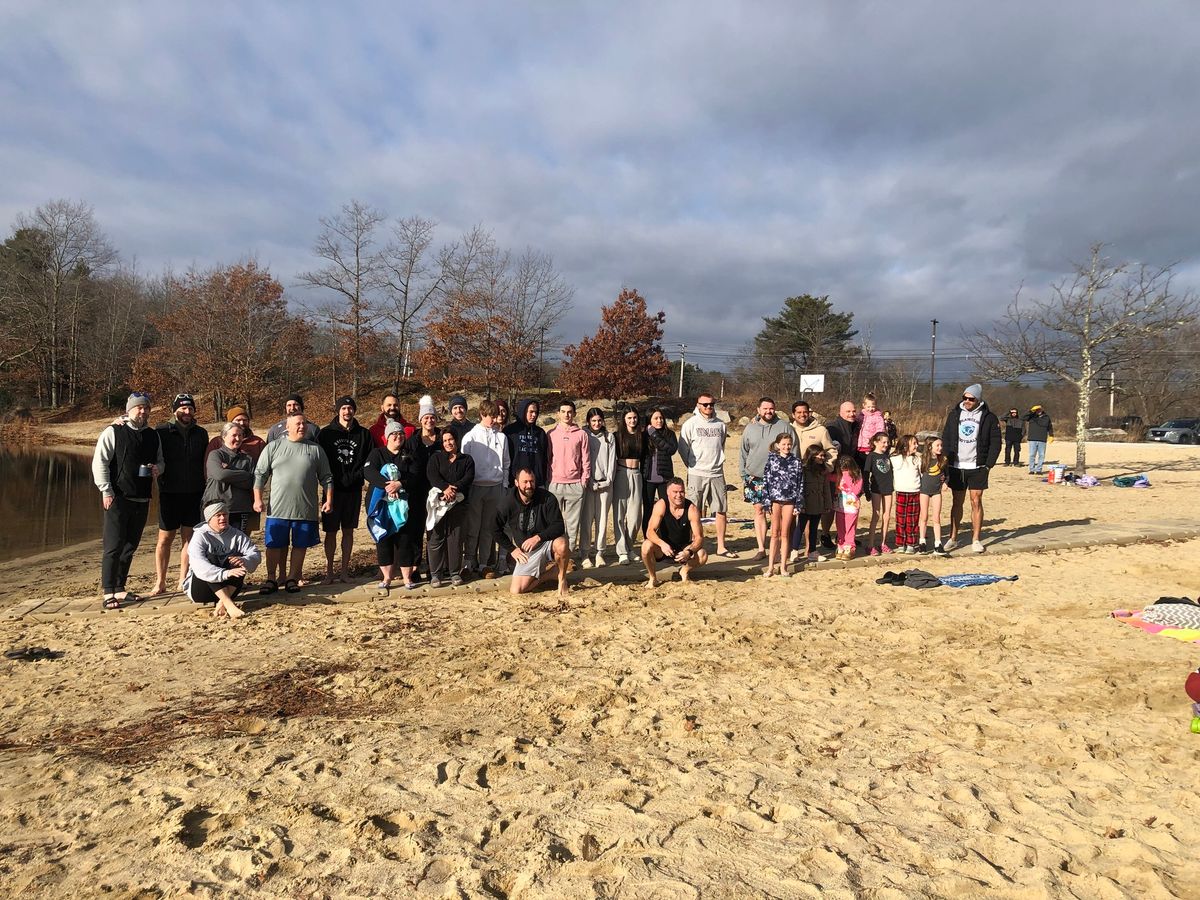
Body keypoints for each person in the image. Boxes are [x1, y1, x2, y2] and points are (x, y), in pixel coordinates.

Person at [92, 392, 164, 609]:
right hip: (118, 497)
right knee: (113, 546)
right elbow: (100, 463)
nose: (142, 411)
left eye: (146, 408)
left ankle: (120, 589)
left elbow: (161, 462)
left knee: (130, 546)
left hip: (142, 497)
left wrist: (157, 469)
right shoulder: (114, 431)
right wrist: (106, 491)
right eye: (138, 408)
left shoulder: (153, 435)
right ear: (129, 409)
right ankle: (108, 592)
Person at [253, 413, 334, 594]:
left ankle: (292, 578)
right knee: (274, 544)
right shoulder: (273, 447)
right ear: (287, 427)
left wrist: (329, 500)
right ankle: (271, 578)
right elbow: (260, 474)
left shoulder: (315, 449)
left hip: (305, 509)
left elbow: (327, 477)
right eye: (298, 424)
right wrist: (257, 499)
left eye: (304, 423)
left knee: (300, 545)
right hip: (278, 508)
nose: (302, 426)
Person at [153, 392, 209, 595]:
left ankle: (182, 580)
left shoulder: (201, 433)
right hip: (169, 492)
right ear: (175, 410)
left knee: (189, 539)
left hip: (194, 493)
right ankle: (160, 582)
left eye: (190, 408)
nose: (187, 412)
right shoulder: (161, 431)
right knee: (165, 539)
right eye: (183, 408)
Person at [317, 396, 372, 584]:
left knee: (348, 531)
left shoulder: (364, 434)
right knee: (330, 531)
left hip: (354, 490)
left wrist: (357, 476)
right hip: (332, 491)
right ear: (338, 411)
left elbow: (369, 461)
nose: (347, 412)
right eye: (343, 408)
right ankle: (329, 571)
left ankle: (344, 572)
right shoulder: (326, 434)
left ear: (354, 410)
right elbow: (320, 462)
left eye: (350, 408)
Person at [942, 383, 1001, 553]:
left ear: (978, 399)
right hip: (957, 465)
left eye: (971, 398)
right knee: (957, 502)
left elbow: (995, 442)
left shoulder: (989, 417)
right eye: (965, 398)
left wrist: (988, 464)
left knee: (976, 501)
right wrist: (946, 460)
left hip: (978, 466)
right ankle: (953, 538)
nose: (967, 401)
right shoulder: (954, 415)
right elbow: (946, 437)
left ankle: (976, 539)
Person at [364, 420, 420, 592]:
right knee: (384, 539)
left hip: (403, 505)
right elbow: (368, 471)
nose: (398, 437)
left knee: (404, 539)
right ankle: (387, 577)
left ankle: (406, 578)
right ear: (387, 437)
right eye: (394, 434)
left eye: (401, 434)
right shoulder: (377, 453)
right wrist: (388, 485)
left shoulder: (409, 454)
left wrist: (400, 484)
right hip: (381, 505)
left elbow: (416, 475)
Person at [495, 467, 569, 597]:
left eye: (532, 481)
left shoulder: (547, 498)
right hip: (528, 551)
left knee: (562, 544)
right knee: (516, 590)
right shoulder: (508, 501)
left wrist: (538, 537)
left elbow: (559, 526)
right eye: (525, 482)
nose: (529, 485)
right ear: (516, 483)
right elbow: (494, 529)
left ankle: (562, 578)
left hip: (546, 543)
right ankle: (551, 574)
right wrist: (512, 549)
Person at [739, 397, 795, 561]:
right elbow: (743, 452)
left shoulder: (784, 426)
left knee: (775, 514)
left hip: (778, 479)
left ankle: (776, 549)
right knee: (759, 511)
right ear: (758, 410)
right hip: (755, 477)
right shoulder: (750, 428)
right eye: (765, 408)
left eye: (771, 408)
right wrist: (744, 474)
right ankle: (761, 548)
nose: (768, 411)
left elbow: (794, 450)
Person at [678, 392, 734, 558]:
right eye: (705, 404)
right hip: (697, 473)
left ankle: (721, 546)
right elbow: (683, 448)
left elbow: (721, 446)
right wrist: (692, 465)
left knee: (721, 510)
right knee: (694, 510)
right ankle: (695, 545)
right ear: (698, 404)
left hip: (717, 473)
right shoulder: (690, 424)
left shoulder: (721, 425)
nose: (708, 407)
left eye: (711, 404)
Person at [184, 501, 261, 620]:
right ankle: (229, 605)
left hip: (230, 590)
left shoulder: (236, 534)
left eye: (225, 514)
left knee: (238, 558)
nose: (222, 518)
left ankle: (222, 603)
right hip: (200, 591)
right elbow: (199, 565)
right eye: (218, 515)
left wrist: (245, 560)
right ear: (209, 518)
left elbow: (254, 553)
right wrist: (225, 573)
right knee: (212, 557)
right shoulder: (200, 536)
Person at [460, 399, 510, 578]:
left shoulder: (502, 437)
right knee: (473, 527)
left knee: (488, 527)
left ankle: (483, 564)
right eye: (490, 416)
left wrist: (504, 485)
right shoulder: (470, 437)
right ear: (482, 415)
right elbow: (464, 464)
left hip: (495, 486)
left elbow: (506, 464)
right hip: (476, 486)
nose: (494, 419)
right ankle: (468, 561)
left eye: (495, 416)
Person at [426, 429, 475, 587]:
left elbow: (468, 477)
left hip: (458, 503)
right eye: (445, 440)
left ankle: (454, 572)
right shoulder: (436, 458)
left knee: (455, 538)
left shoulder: (466, 460)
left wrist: (454, 489)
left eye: (451, 439)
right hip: (438, 503)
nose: (448, 443)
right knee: (436, 537)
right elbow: (432, 475)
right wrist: (445, 488)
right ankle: (435, 574)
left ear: (456, 440)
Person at [641, 477, 708, 588]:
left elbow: (699, 537)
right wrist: (662, 544)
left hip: (683, 548)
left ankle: (684, 570)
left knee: (703, 554)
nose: (678, 495)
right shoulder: (661, 505)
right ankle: (653, 578)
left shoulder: (691, 509)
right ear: (668, 492)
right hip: (663, 548)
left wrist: (689, 552)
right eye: (675, 492)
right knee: (646, 546)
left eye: (681, 492)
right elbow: (649, 531)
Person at [546, 399, 591, 564]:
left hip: (575, 485)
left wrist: (583, 481)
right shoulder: (550, 434)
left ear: (574, 414)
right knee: (553, 524)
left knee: (572, 526)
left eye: (570, 412)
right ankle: (553, 557)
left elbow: (586, 459)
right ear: (558, 414)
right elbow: (547, 458)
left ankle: (568, 559)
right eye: (563, 411)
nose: (567, 415)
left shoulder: (581, 434)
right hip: (554, 484)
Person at [203, 422, 257, 536]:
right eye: (234, 435)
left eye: (240, 435)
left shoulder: (248, 459)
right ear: (224, 436)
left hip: (240, 508)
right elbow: (219, 475)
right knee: (217, 545)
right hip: (216, 509)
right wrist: (244, 474)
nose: (238, 439)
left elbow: (251, 482)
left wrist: (229, 470)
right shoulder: (215, 455)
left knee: (238, 546)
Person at [822, 401, 861, 549]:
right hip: (835, 472)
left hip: (851, 473)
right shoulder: (833, 428)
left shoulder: (856, 426)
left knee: (849, 507)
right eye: (848, 411)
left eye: (853, 411)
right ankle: (825, 534)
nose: (852, 414)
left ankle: (845, 535)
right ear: (841, 412)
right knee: (832, 506)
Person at [762, 433, 801, 577]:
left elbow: (799, 484)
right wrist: (766, 502)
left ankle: (783, 567)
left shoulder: (796, 462)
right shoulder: (772, 460)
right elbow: (766, 481)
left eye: (789, 444)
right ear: (778, 445)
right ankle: (770, 567)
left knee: (785, 534)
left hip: (790, 500)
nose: (786, 447)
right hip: (774, 500)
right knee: (774, 534)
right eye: (784, 444)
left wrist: (798, 504)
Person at [581, 408, 615, 568]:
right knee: (587, 520)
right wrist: (588, 481)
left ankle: (600, 552)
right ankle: (585, 553)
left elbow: (612, 461)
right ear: (588, 421)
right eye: (593, 421)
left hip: (605, 485)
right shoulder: (584, 435)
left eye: (599, 420)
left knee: (602, 520)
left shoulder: (609, 438)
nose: (596, 423)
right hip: (588, 484)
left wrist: (607, 481)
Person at [612, 405, 645, 565]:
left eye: (634, 417)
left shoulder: (642, 436)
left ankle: (629, 547)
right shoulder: (616, 436)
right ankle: (622, 551)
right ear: (624, 419)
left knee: (635, 516)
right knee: (619, 515)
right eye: (629, 418)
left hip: (637, 475)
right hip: (621, 474)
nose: (632, 420)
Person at [641, 408, 679, 534]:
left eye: (661, 418)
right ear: (649, 420)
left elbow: (671, 450)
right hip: (647, 478)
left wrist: (654, 435)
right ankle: (649, 538)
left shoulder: (670, 435)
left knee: (666, 509)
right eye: (656, 418)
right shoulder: (643, 435)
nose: (659, 420)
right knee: (648, 510)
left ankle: (666, 537)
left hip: (665, 478)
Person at [793, 444, 832, 564]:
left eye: (823, 456)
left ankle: (812, 551)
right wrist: (800, 504)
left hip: (818, 502)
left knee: (814, 528)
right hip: (806, 503)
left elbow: (826, 489)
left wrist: (827, 504)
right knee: (800, 526)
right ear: (812, 455)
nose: (822, 458)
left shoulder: (823, 471)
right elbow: (799, 487)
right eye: (820, 455)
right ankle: (794, 550)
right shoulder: (803, 469)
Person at [863, 431, 894, 556]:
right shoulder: (871, 456)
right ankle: (870, 544)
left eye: (887, 442)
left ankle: (883, 543)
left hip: (888, 489)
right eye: (883, 442)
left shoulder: (887, 456)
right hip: (876, 489)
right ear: (876, 442)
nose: (886, 444)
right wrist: (867, 490)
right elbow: (866, 474)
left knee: (887, 516)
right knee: (876, 515)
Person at [504, 398, 547, 487]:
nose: (534, 415)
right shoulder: (510, 431)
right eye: (531, 412)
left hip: (536, 482)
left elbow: (544, 458)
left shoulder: (540, 433)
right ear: (523, 411)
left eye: (536, 412)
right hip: (515, 482)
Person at [891, 435, 922, 554]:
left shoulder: (918, 459)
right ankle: (900, 543)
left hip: (915, 492)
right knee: (900, 520)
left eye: (917, 443)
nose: (916, 446)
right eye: (914, 443)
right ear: (905, 445)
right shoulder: (895, 458)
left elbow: (922, 474)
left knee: (912, 520)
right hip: (901, 492)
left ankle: (911, 543)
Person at [918, 436, 948, 555]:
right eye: (937, 445)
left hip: (936, 491)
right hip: (924, 491)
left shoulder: (943, 460)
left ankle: (938, 543)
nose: (940, 448)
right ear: (930, 446)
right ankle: (922, 542)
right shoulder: (923, 459)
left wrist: (945, 483)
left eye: (941, 445)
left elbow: (947, 475)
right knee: (924, 516)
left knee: (936, 518)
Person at [833, 455, 863, 560]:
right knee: (840, 526)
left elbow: (858, 488)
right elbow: (830, 477)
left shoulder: (856, 474)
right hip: (840, 505)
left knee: (850, 527)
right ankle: (841, 546)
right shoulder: (838, 474)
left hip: (851, 506)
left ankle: (849, 547)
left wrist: (852, 494)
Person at [1024, 405, 1054, 475]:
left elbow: (1050, 427)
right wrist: (1031, 411)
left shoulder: (1046, 417)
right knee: (1032, 455)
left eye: (1040, 409)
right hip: (1032, 439)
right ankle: (1031, 469)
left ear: (1042, 410)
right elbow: (1023, 417)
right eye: (1037, 410)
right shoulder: (1031, 416)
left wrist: (1051, 435)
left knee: (1041, 455)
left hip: (1042, 439)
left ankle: (1039, 470)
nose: (1038, 411)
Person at [855, 393, 885, 459]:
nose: (871, 409)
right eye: (868, 407)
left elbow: (880, 429)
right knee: (861, 460)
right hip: (861, 443)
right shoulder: (862, 415)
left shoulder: (878, 417)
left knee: (869, 459)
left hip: (870, 443)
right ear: (864, 405)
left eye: (873, 407)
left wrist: (875, 439)